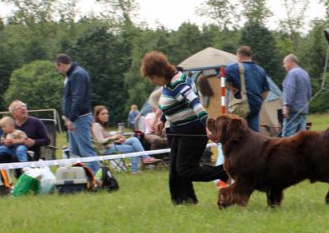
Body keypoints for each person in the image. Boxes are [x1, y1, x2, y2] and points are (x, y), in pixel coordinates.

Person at [139, 51, 228, 205]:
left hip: (191, 131)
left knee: (185, 169)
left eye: (152, 77)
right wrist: (162, 120)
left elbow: (195, 104)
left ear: (160, 72)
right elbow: (169, 105)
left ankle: (224, 172)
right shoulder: (168, 84)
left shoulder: (179, 83)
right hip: (176, 131)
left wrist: (208, 125)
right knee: (175, 171)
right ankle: (183, 201)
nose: (152, 81)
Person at [54, 53, 99, 173]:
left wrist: (71, 119)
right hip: (75, 119)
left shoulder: (77, 74)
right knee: (75, 152)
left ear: (61, 65)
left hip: (80, 119)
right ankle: (80, 177)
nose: (58, 71)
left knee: (86, 151)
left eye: (57, 68)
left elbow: (77, 98)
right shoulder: (73, 74)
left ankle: (97, 179)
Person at [92, 105, 151, 174]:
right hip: (106, 150)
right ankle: (135, 170)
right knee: (134, 148)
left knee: (134, 139)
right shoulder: (96, 125)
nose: (106, 115)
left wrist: (117, 139)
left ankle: (145, 158)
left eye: (107, 113)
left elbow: (108, 140)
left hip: (112, 146)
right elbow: (100, 141)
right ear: (97, 116)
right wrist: (113, 138)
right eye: (103, 114)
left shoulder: (103, 125)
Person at [225, 45, 269, 132]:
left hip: (239, 108)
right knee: (254, 135)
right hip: (255, 106)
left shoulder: (234, 68)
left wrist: (231, 87)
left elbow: (222, 78)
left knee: (236, 133)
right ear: (250, 56)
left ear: (239, 56)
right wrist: (259, 101)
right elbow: (266, 91)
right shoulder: (261, 70)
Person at [281, 53, 312, 136]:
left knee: (287, 137)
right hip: (303, 110)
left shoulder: (292, 73)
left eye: (284, 63)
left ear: (290, 62)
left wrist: (286, 106)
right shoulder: (305, 73)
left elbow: (290, 90)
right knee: (301, 138)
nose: (284, 66)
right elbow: (309, 93)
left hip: (293, 110)